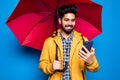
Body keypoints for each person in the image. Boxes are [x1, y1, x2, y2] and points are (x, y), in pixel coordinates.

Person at [38, 5, 99, 80]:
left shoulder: (83, 40)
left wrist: (91, 61)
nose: (70, 23)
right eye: (66, 20)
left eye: (72, 20)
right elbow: (42, 65)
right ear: (60, 20)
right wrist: (51, 67)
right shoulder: (49, 42)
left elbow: (95, 69)